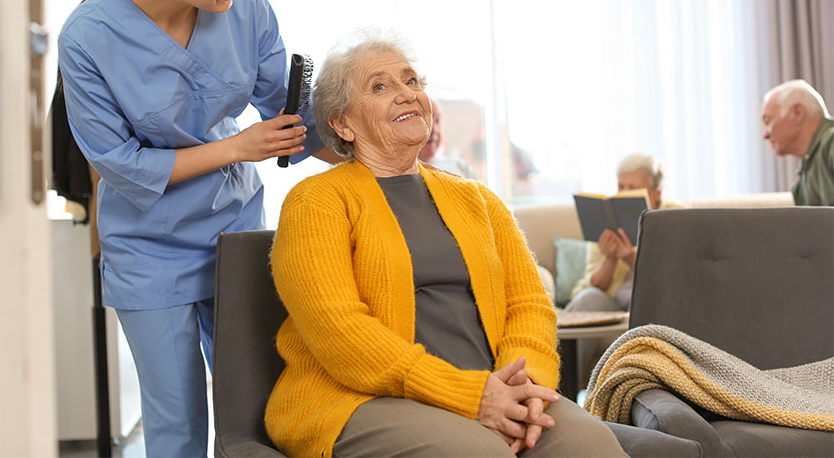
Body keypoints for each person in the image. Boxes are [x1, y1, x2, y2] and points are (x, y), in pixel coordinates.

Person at [57, 0, 336, 455]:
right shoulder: (87, 38)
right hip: (147, 246)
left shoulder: (244, 0)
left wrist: (376, 148)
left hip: (235, 231)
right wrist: (237, 147)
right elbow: (117, 161)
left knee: (259, 406)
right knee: (178, 424)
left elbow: (285, 110)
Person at [265, 35, 626, 457]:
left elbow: (528, 303)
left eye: (412, 81)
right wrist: (469, 395)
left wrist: (525, 386)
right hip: (360, 400)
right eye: (380, 87)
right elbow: (340, 331)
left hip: (495, 386)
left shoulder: (478, 199)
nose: (407, 94)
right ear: (342, 125)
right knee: (479, 453)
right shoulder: (317, 202)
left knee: (592, 444)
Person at [565, 153, 680, 313]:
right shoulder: (607, 217)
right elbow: (597, 286)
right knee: (588, 298)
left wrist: (632, 259)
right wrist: (610, 259)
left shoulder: (677, 217)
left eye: (633, 188)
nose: (624, 193)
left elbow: (678, 283)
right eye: (621, 186)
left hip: (655, 301)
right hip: (613, 302)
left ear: (657, 192)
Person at [762, 79, 834, 206]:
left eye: (768, 121)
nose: (765, 135)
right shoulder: (803, 176)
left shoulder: (831, 142)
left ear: (798, 113)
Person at [418, 98, 478, 179]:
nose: (434, 130)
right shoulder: (404, 174)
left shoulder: (461, 167)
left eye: (437, 121)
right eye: (427, 121)